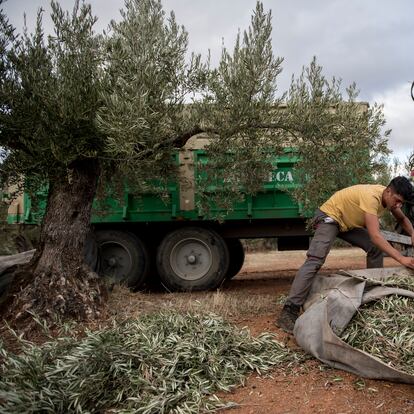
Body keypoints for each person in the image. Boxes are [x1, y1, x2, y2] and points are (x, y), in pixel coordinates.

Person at [277, 176, 414, 333]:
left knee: (374, 249)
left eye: (401, 203)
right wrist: (401, 258)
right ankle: (289, 310)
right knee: (316, 259)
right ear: (388, 191)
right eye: (397, 201)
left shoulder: (389, 199)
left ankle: (373, 293)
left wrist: (412, 232)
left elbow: (402, 218)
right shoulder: (372, 197)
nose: (398, 205)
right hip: (329, 217)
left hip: (346, 223)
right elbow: (376, 236)